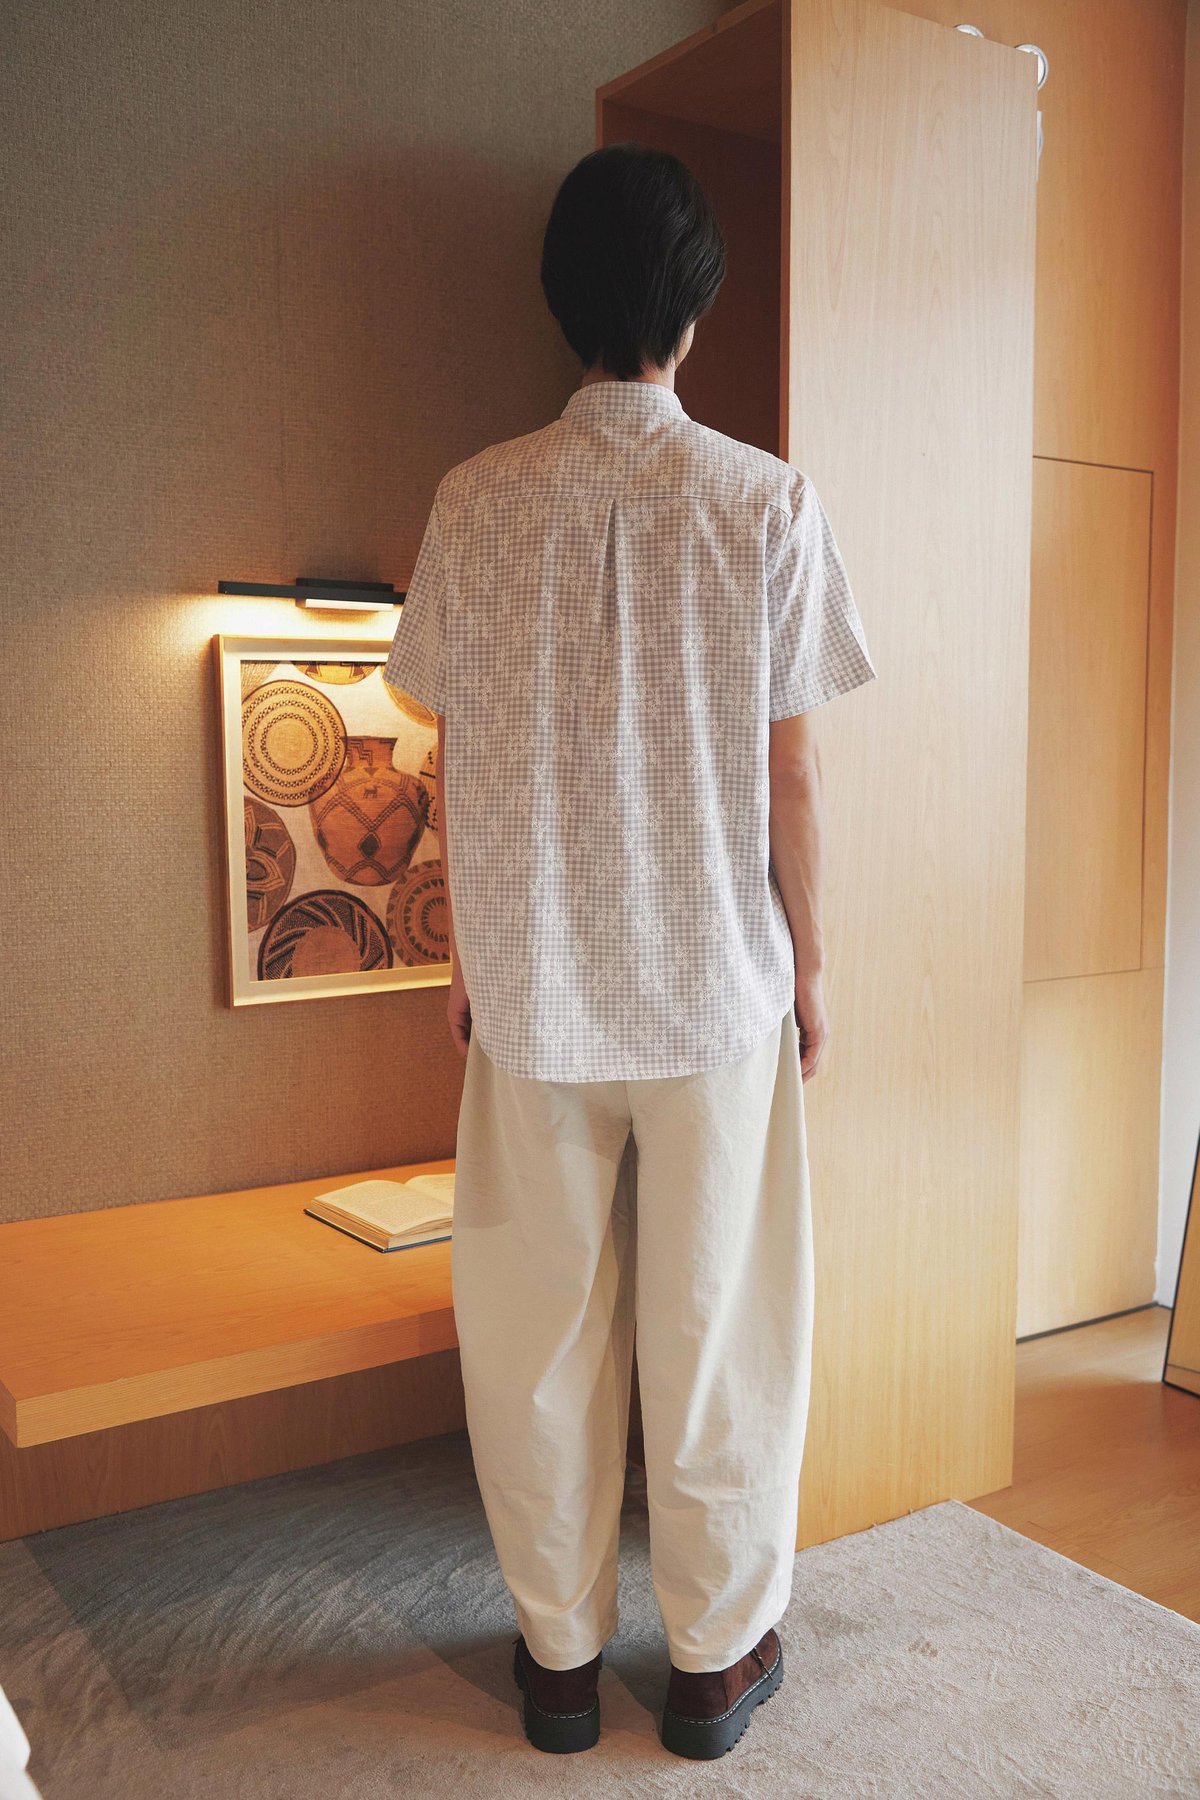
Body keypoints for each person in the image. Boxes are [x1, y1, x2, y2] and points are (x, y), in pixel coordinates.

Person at [384, 141, 877, 1762]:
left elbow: (449, 755)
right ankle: (717, 1666)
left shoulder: (473, 499)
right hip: (715, 992)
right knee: (721, 1331)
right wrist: (813, 966)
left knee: (537, 1338)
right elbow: (791, 773)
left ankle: (559, 1665)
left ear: (561, 301)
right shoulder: (767, 499)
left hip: (534, 995)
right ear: (697, 304)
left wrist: (462, 955)